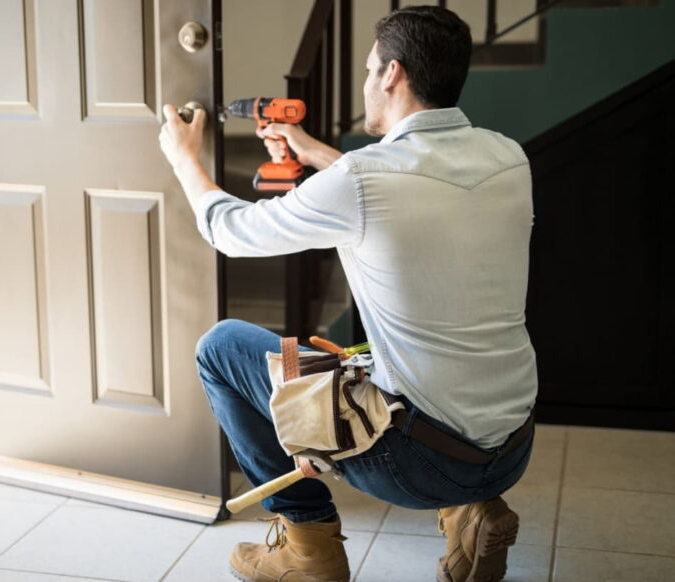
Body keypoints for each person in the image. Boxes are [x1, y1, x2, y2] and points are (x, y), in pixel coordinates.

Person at [159, 5, 537, 582]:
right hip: (511, 447)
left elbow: (229, 232)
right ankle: (472, 509)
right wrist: (316, 154)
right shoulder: (508, 156)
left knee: (221, 346)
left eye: (368, 69)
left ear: (392, 74)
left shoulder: (362, 179)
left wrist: (186, 160)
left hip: (415, 460)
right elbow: (406, 197)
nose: (365, 81)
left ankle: (306, 546)